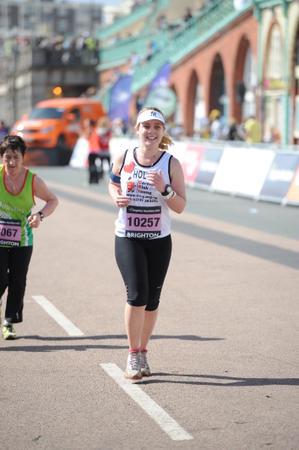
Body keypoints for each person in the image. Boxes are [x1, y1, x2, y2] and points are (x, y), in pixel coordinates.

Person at [109, 107, 186, 380]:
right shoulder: (125, 157)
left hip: (159, 240)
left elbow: (180, 206)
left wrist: (165, 189)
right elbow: (113, 183)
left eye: (156, 127)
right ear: (137, 128)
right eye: (146, 126)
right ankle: (131, 354)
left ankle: (143, 350)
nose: (151, 132)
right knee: (137, 294)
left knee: (152, 300)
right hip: (128, 237)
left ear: (162, 132)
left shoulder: (170, 163)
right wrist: (115, 196)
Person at [0, 135, 58, 340]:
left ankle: (8, 322)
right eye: (7, 157)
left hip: (22, 239)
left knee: (18, 281)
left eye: (15, 157)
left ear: (23, 157)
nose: (11, 162)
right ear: (2, 158)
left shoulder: (32, 180)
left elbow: (52, 200)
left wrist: (39, 216)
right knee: (1, 278)